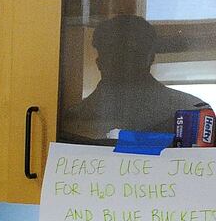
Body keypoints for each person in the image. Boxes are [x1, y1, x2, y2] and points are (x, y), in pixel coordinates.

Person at [60, 13, 206, 143]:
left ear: (150, 57)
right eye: (114, 52)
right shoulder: (73, 120)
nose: (124, 60)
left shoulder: (191, 115)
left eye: (132, 51)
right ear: (100, 61)